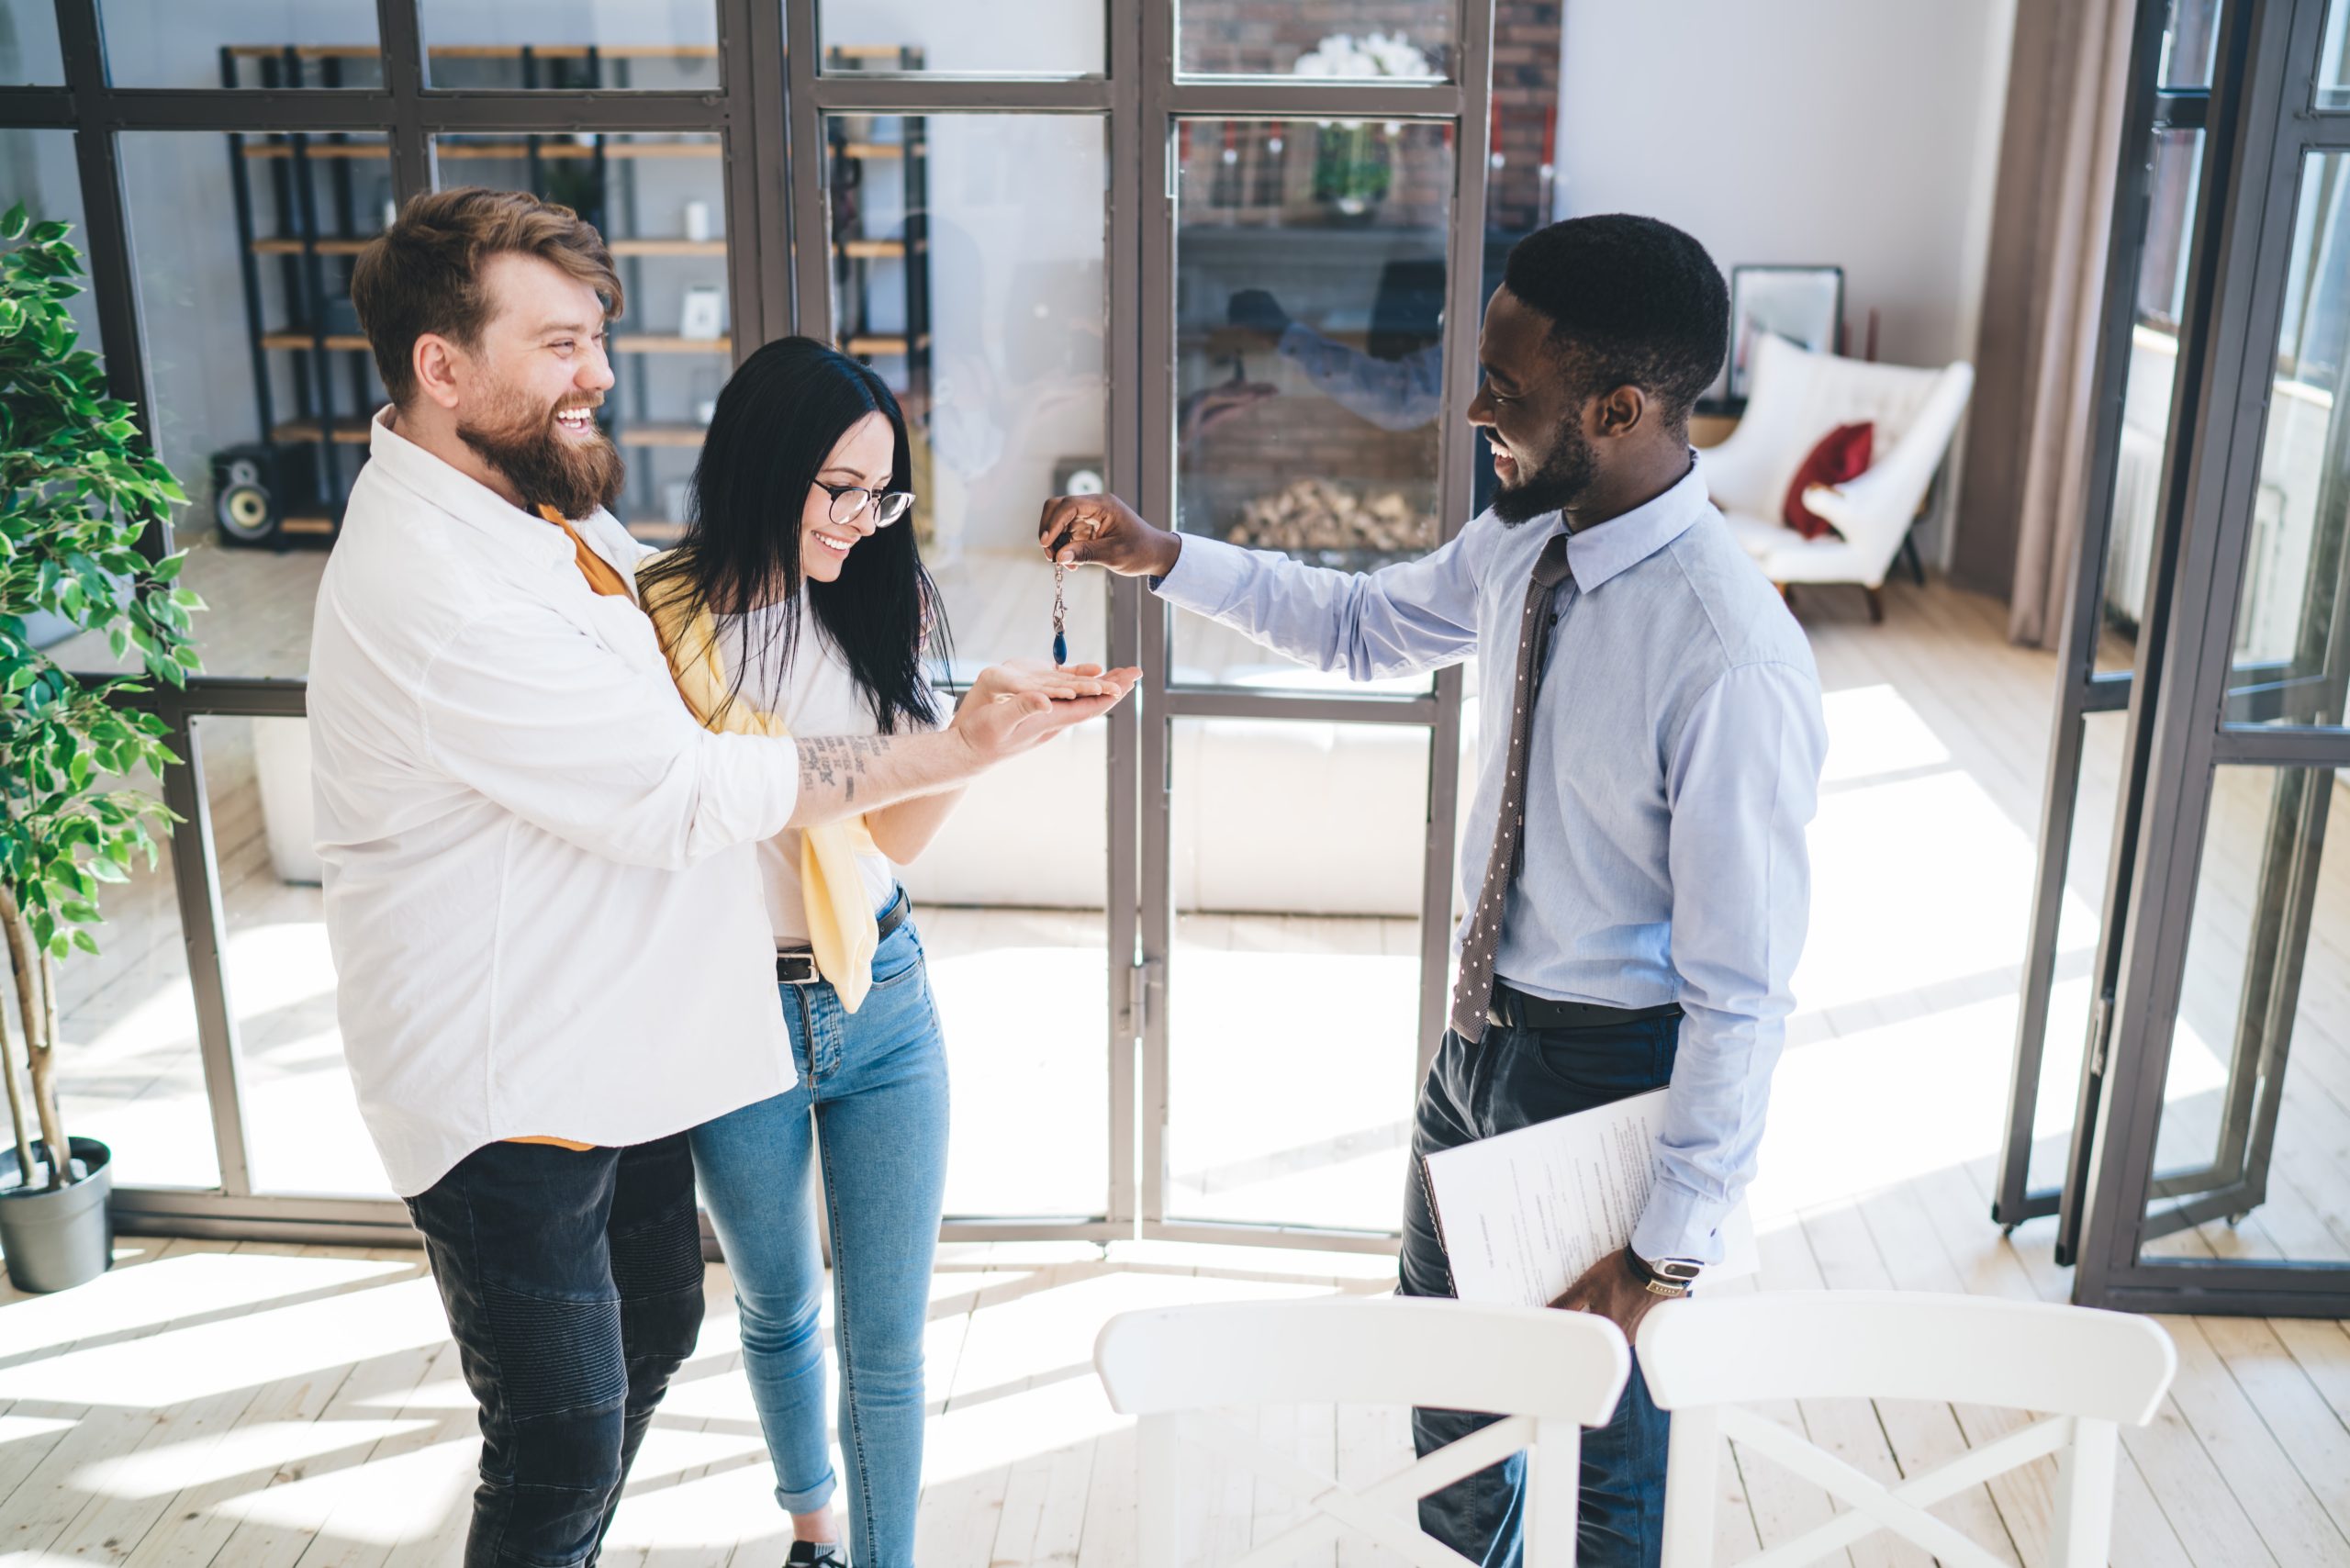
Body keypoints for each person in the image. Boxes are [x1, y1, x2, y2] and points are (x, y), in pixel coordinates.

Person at [309, 186, 1134, 1568]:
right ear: (441, 368)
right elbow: (680, 795)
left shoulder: (557, 530)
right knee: (572, 1425)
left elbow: (858, 830)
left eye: (598, 339)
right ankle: (785, 1529)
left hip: (719, 1033)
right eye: (560, 343)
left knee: (662, 1331)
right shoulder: (448, 591)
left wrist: (959, 743)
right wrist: (955, 744)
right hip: (521, 1083)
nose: (600, 375)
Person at [1039, 214, 1828, 1568]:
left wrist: (1661, 1258)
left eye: (1507, 391)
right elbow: (1361, 626)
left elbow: (1742, 993)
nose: (1472, 411)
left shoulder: (1731, 657)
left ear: (1622, 406)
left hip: (1608, 1092)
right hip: (1476, 1053)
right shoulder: (1528, 539)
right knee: (1452, 1431)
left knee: (1607, 1478)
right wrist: (1160, 553)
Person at [632, 337, 1011, 1568]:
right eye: (838, 488)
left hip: (881, 995)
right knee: (779, 1304)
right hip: (727, 1011)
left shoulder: (871, 601)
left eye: (882, 491)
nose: (864, 518)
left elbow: (890, 832)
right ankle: (813, 1528)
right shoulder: (649, 624)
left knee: (889, 1341)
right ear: (762, 463)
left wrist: (976, 745)